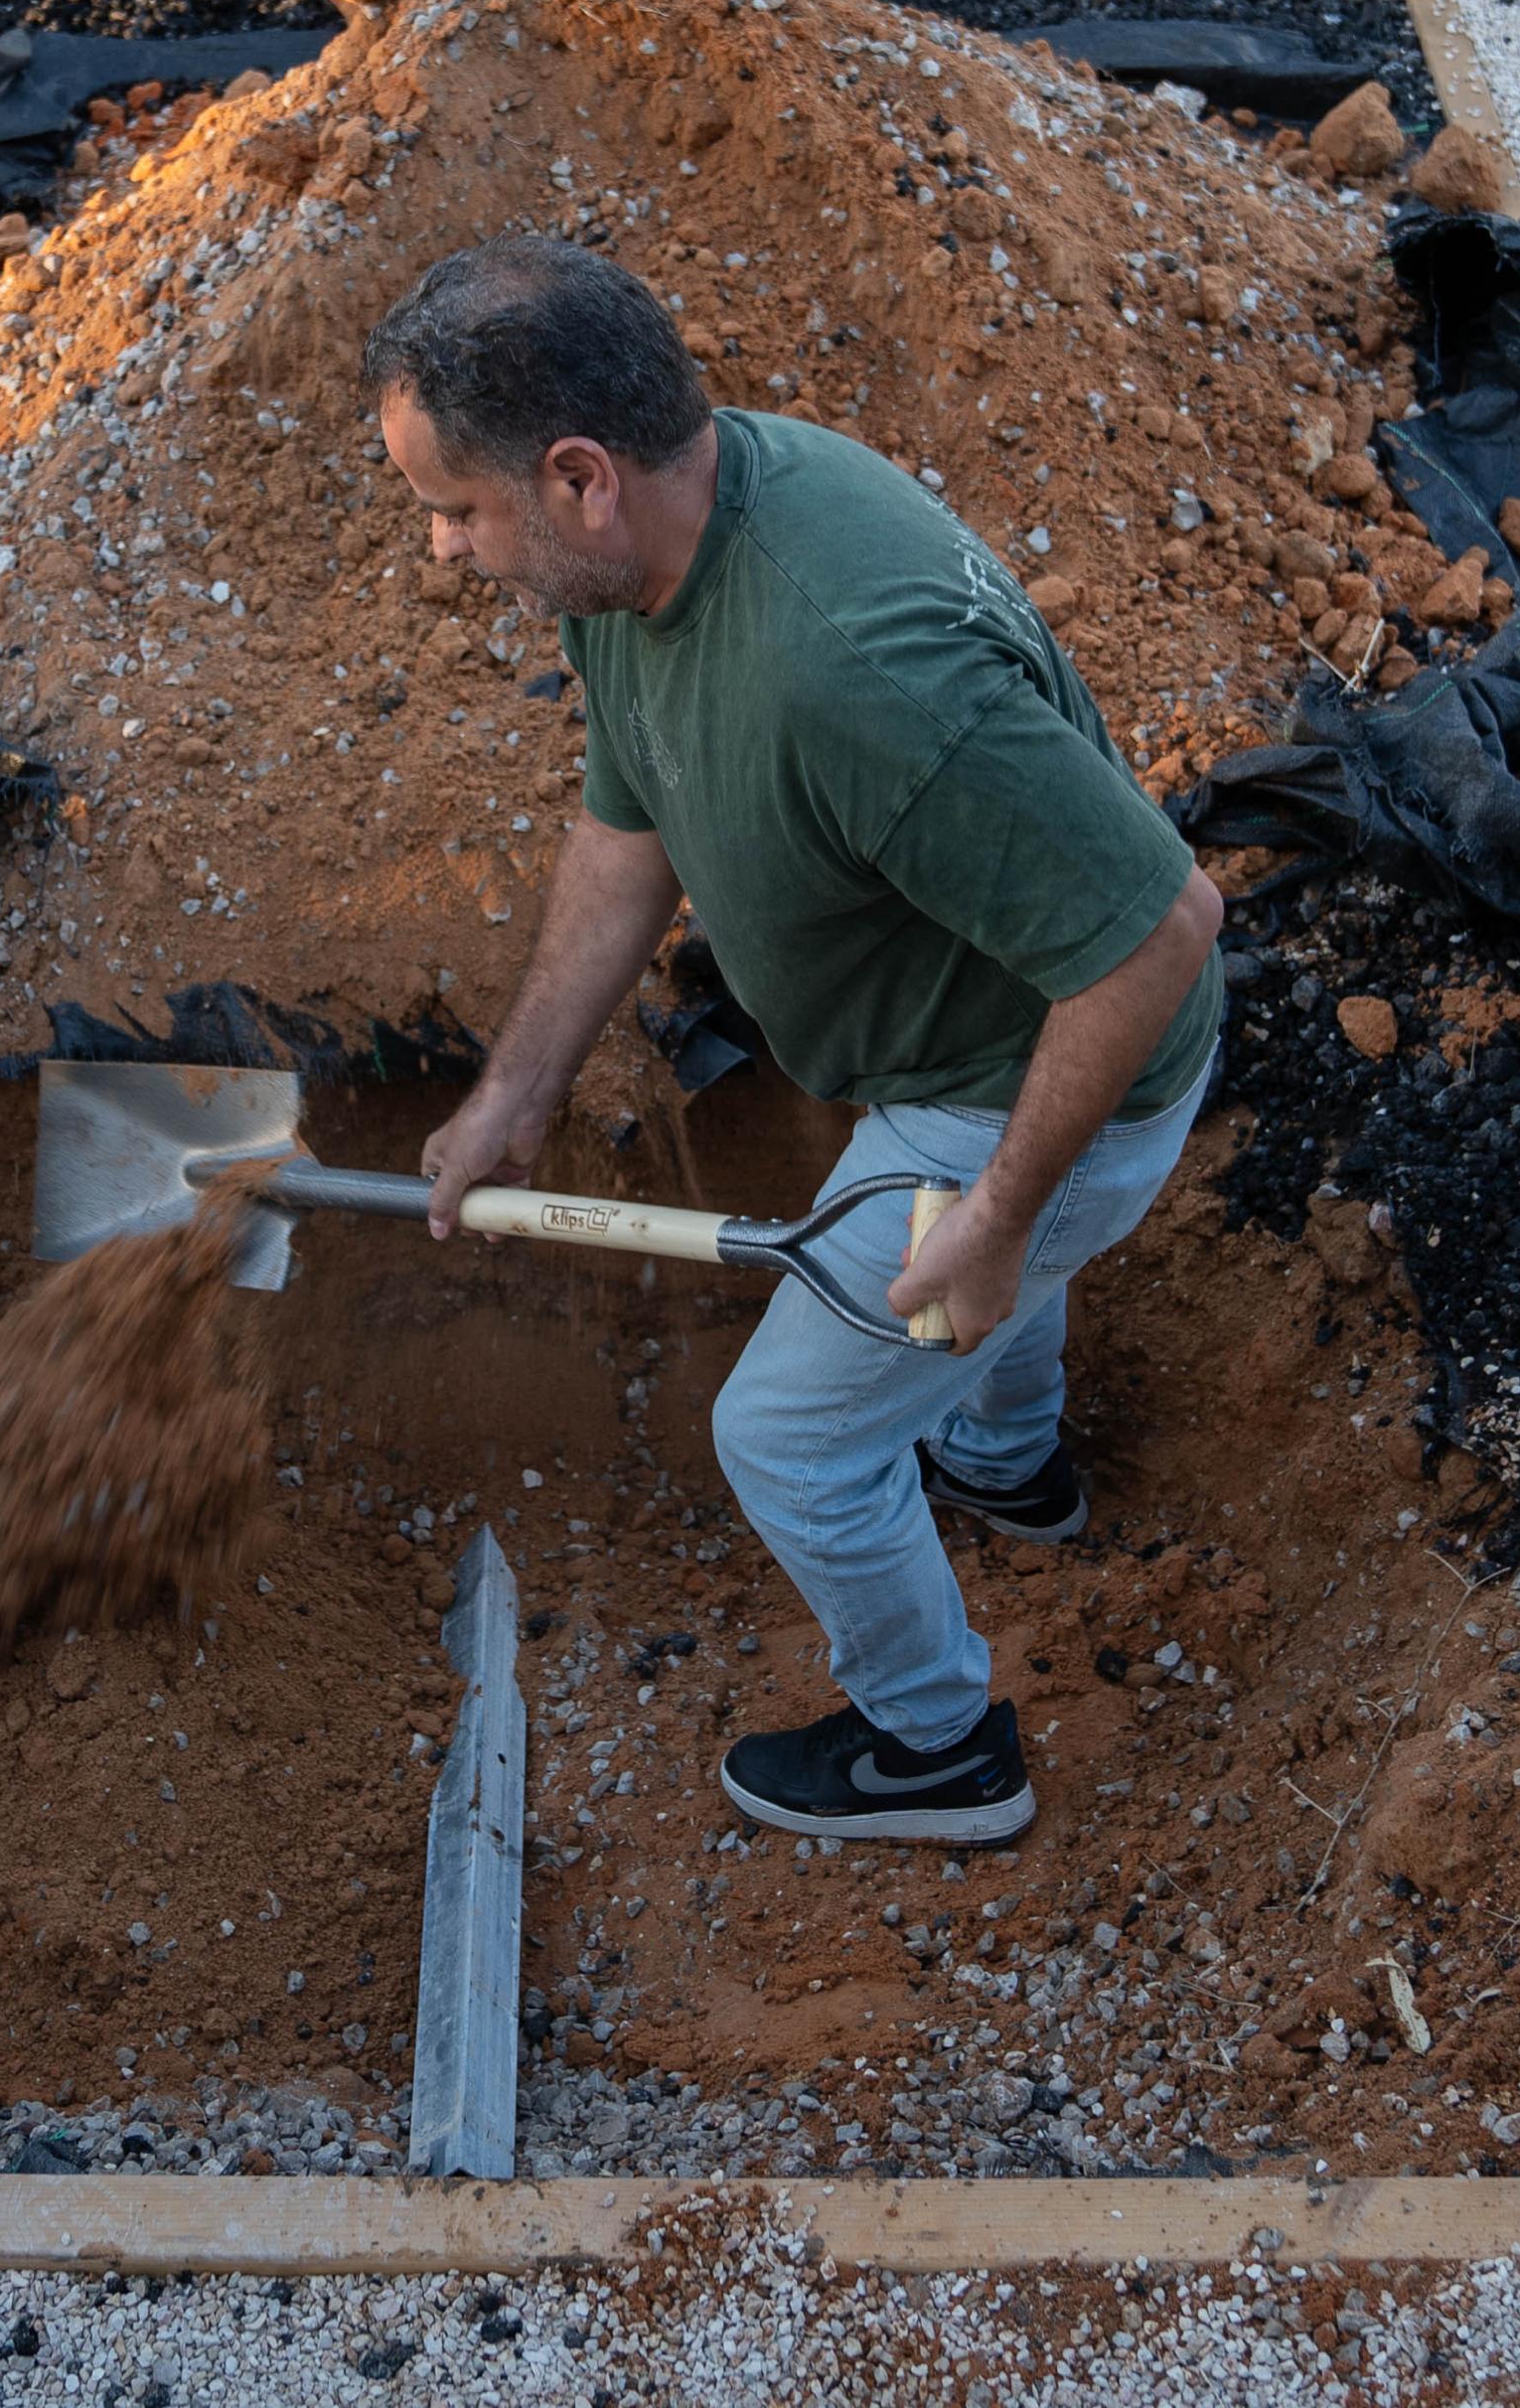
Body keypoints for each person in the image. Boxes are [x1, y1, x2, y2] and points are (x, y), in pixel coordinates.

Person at [383, 234, 1223, 1848]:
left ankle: (940, 1751)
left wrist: (996, 1209)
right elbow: (629, 826)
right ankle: (1013, 1473)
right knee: (979, 1296)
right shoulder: (651, 555)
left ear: (576, 479)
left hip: (1047, 1075)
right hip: (954, 1045)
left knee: (788, 1439)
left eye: (455, 508)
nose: (440, 550)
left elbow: (1154, 934)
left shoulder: (852, 671)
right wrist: (516, 1088)